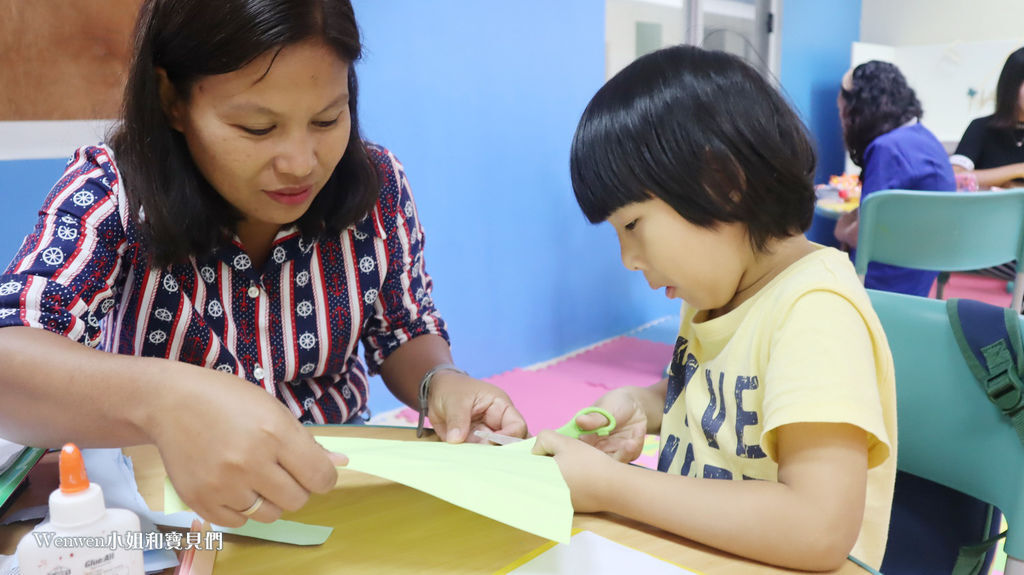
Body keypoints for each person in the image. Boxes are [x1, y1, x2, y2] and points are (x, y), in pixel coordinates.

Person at [0, 0, 526, 529]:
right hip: (167, 510)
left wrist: (441, 381)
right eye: (257, 128)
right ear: (172, 99)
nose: (300, 163)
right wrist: (164, 400)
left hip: (339, 495)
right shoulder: (112, 193)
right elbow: (11, 347)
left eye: (327, 119)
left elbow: (402, 328)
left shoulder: (376, 184)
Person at [531, 45, 897, 571]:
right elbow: (717, 396)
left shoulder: (815, 310)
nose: (628, 259)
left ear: (720, 184)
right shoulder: (718, 292)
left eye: (632, 226)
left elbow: (818, 528)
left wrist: (613, 487)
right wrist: (646, 404)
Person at [832, 60, 957, 297]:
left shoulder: (887, 149)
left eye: (842, 114)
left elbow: (867, 236)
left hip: (880, 289)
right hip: (919, 281)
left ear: (857, 111)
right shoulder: (925, 138)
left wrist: (841, 230)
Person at [948, 46, 1024, 282]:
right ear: (1011, 86)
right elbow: (954, 176)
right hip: (985, 241)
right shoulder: (982, 128)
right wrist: (1018, 169)